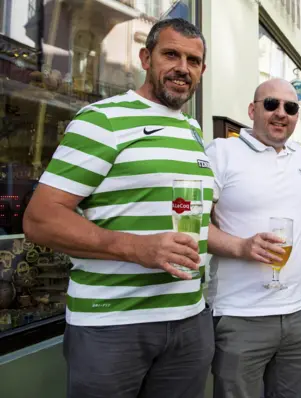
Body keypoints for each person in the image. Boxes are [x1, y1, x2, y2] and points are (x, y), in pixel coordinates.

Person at [22, 19, 214, 398]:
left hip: (189, 320)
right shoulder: (103, 120)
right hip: (112, 324)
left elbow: (196, 221)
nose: (182, 68)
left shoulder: (193, 132)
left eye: (193, 60)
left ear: (202, 71)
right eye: (170, 54)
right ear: (146, 58)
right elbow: (40, 220)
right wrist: (138, 248)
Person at [205, 78, 301, 398]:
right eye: (271, 104)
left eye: (291, 107)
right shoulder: (221, 152)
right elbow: (191, 223)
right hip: (240, 315)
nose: (281, 113)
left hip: (300, 313)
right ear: (252, 110)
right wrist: (240, 247)